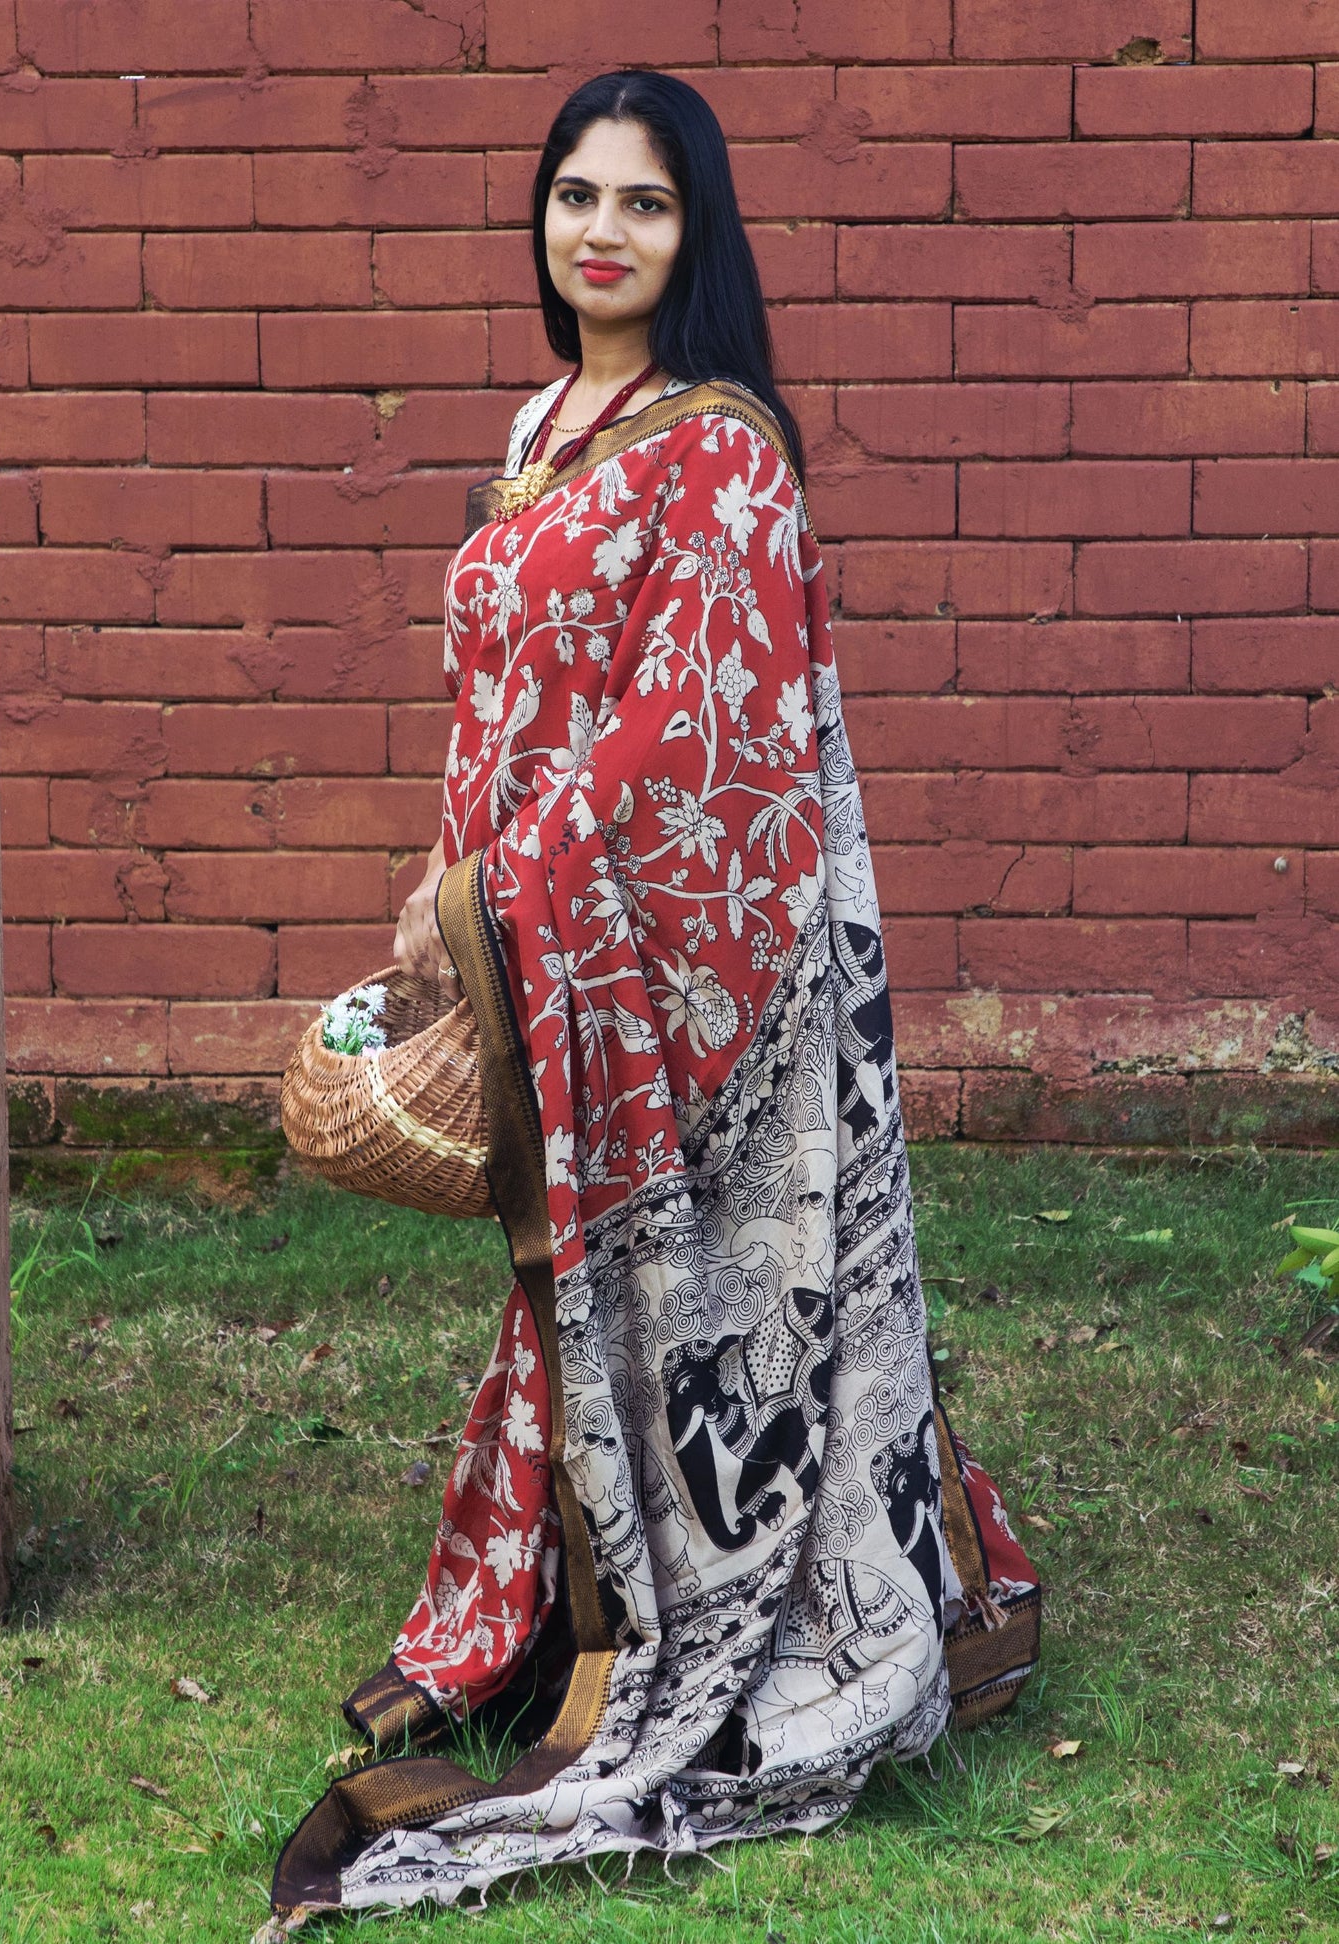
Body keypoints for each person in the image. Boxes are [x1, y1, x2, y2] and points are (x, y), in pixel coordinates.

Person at [272, 69, 1039, 1919]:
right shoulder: (541, 426)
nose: (599, 230)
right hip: (529, 935)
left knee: (678, 1283)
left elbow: (696, 722)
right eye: (574, 195)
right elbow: (500, 697)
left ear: (696, 235)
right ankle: (547, 1606)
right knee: (561, 1276)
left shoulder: (723, 450)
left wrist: (509, 881)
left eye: (642, 201)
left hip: (686, 946)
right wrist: (450, 890)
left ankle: (697, 1624)